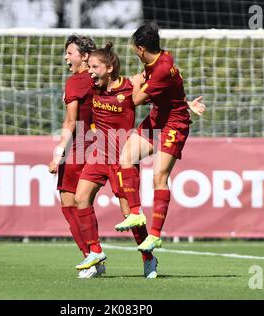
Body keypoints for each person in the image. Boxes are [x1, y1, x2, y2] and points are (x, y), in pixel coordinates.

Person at [114, 22, 206, 252]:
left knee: (159, 176)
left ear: (141, 49)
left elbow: (135, 100)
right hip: (158, 117)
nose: (133, 51)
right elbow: (169, 91)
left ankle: (154, 235)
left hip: (174, 123)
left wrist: (136, 83)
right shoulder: (160, 59)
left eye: (134, 48)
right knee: (126, 158)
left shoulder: (162, 69)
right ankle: (135, 213)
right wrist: (184, 101)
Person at [73, 42, 158, 278]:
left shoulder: (132, 87)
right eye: (89, 66)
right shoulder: (92, 86)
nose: (90, 71)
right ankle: (95, 253)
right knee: (80, 198)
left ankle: (148, 257)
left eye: (95, 67)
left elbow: (161, 89)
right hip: (99, 155)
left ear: (109, 68)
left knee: (129, 215)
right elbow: (76, 80)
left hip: (123, 159)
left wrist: (185, 103)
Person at [48, 34, 102, 278]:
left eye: (70, 53)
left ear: (85, 56)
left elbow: (71, 121)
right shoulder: (100, 79)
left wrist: (58, 153)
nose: (66, 57)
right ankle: (93, 257)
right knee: (81, 202)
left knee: (70, 203)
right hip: (100, 144)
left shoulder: (76, 82)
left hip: (79, 147)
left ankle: (91, 257)